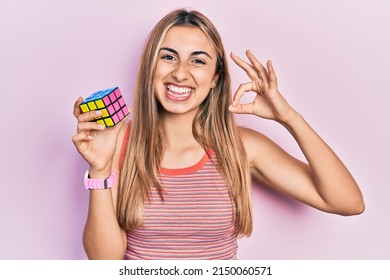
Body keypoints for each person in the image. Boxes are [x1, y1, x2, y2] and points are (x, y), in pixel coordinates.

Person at [72, 9, 364, 260]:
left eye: (198, 61)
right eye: (169, 57)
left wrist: (289, 118)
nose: (181, 73)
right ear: (150, 68)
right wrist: (98, 168)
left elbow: (347, 202)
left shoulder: (241, 147)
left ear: (215, 78)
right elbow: (105, 262)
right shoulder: (118, 141)